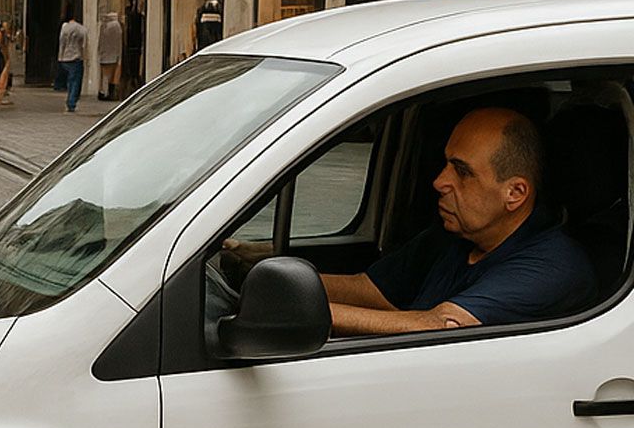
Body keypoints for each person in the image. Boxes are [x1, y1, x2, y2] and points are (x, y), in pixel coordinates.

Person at [228, 108, 596, 335]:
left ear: (515, 193)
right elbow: (370, 290)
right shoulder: (458, 235)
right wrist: (256, 274)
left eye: (462, 171)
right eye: (446, 162)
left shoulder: (552, 266)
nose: (439, 181)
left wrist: (285, 309)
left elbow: (441, 324)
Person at [56, 10, 86, 113]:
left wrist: (60, 57)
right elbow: (84, 44)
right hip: (76, 57)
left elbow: (62, 42)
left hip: (65, 58)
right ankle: (71, 102)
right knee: (76, 81)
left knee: (70, 80)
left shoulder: (64, 28)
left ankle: (70, 100)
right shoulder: (81, 28)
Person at [96, 11, 123, 101]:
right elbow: (118, 43)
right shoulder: (117, 26)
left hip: (105, 55)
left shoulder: (104, 26)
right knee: (112, 76)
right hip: (113, 56)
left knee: (104, 76)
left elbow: (101, 41)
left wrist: (100, 52)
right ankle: (109, 93)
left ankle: (103, 92)